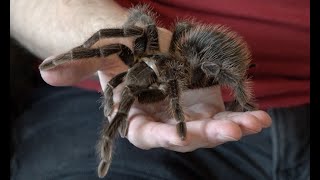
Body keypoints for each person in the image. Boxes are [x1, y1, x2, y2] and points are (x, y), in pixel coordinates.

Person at [10, 0, 309, 179]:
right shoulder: (143, 52)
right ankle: (106, 152)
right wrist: (95, 41)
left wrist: (179, 114)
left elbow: (179, 76)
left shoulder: (190, 67)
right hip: (83, 97)